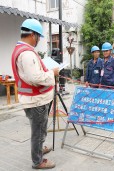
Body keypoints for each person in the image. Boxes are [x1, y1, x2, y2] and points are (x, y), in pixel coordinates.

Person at [11, 19, 59, 169]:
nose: (38, 40)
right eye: (38, 37)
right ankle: (37, 161)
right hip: (35, 101)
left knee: (40, 128)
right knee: (37, 132)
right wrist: (53, 72)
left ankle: (39, 149)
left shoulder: (23, 50)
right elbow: (35, 77)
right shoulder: (26, 54)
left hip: (36, 99)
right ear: (32, 35)